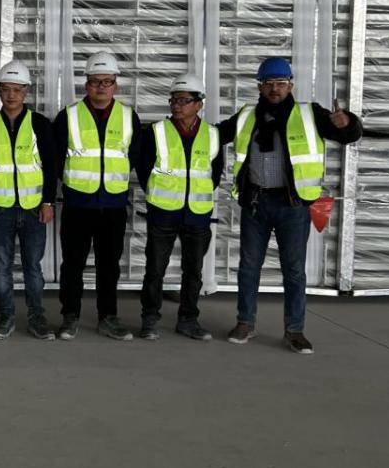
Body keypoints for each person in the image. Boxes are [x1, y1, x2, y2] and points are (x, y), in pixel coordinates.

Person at [219, 57, 362, 354]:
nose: (275, 89)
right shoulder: (246, 115)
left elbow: (347, 135)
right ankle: (245, 323)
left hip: (292, 205)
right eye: (269, 83)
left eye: (281, 83)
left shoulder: (311, 114)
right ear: (259, 86)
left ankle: (294, 331)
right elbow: (216, 136)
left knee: (294, 270)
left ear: (291, 85)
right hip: (256, 203)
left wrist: (347, 122)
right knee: (248, 268)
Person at [0, 60, 58, 341]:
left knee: (33, 269)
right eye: (6, 89)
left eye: (16, 90)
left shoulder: (40, 124)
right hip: (2, 209)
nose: (11, 95)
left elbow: (51, 166)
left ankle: (37, 318)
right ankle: (6, 317)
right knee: (2, 269)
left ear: (26, 92)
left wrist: (48, 202)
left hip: (33, 209)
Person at [52, 52, 141, 341]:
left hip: (113, 205)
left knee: (109, 266)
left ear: (116, 85)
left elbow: (140, 157)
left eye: (107, 82)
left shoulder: (129, 117)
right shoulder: (68, 117)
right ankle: (69, 317)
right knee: (73, 263)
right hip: (78, 204)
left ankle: (108, 317)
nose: (101, 87)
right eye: (95, 82)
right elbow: (53, 160)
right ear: (85, 85)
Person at [135, 74, 223, 341]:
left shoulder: (212, 134)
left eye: (184, 101)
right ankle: (149, 320)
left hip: (197, 214)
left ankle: (188, 319)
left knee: (193, 272)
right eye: (174, 100)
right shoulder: (155, 132)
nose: (177, 106)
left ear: (199, 104)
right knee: (155, 270)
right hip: (163, 211)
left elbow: (214, 174)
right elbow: (143, 169)